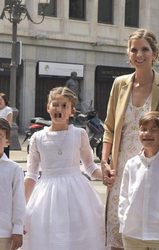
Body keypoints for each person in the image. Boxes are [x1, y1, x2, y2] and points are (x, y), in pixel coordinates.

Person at [101, 28, 159, 250]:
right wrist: (105, 162)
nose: (139, 54)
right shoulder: (119, 84)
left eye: (145, 49)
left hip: (152, 166)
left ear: (155, 53)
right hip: (121, 166)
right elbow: (110, 127)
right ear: (128, 53)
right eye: (134, 50)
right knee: (117, 230)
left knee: (145, 231)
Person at [22, 87, 106, 250]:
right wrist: (21, 207)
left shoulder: (79, 134)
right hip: (46, 196)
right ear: (48, 107)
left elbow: (90, 167)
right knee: (48, 238)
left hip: (77, 195)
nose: (58, 109)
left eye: (64, 106)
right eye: (55, 104)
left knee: (78, 238)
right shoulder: (37, 138)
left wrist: (106, 175)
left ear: (72, 111)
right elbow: (31, 175)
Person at [118, 111, 159, 250]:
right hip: (132, 234)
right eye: (143, 129)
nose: (147, 134)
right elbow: (123, 197)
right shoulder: (131, 164)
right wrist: (124, 223)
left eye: (154, 130)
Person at [0, 118, 25, 250]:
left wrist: (18, 229)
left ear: (7, 141)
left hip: (4, 233)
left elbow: (19, 202)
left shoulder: (14, 169)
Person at [0, 93, 13, 157]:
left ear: (4, 100)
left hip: (4, 133)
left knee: (5, 151)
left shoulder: (8, 109)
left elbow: (9, 123)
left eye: (0, 100)